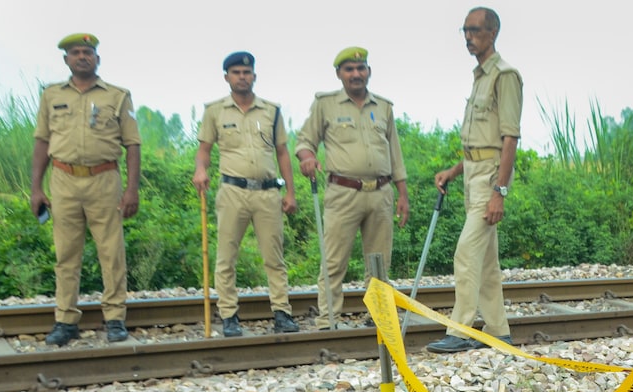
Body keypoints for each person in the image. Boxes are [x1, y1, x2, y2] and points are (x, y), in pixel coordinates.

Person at [30, 33, 141, 347]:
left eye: (88, 52)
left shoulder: (117, 96)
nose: (82, 57)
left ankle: (115, 319)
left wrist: (132, 190)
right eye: (76, 52)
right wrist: (36, 187)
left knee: (111, 251)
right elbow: (42, 142)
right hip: (63, 179)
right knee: (66, 254)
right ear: (67, 60)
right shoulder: (51, 96)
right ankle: (65, 320)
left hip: (104, 179)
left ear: (97, 59)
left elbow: (132, 144)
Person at [426, 7, 521, 354]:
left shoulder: (505, 75)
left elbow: (509, 138)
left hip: (489, 180)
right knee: (485, 263)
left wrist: (500, 191)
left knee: (466, 253)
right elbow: (480, 143)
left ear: (493, 32)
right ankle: (499, 332)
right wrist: (454, 171)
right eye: (464, 30)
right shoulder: (479, 76)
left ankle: (461, 329)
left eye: (475, 30)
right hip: (473, 174)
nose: (468, 37)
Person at [296, 47, 409, 328]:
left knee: (379, 263)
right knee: (334, 261)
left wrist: (402, 194)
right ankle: (329, 320)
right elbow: (304, 141)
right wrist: (307, 158)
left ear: (369, 71)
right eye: (349, 69)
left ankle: (379, 317)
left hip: (381, 192)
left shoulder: (383, 107)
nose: (356, 74)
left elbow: (395, 154)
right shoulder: (325, 104)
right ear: (339, 74)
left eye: (361, 68)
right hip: (343, 192)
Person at [193, 51, 299, 337]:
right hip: (232, 192)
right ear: (227, 77)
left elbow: (282, 152)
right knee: (226, 256)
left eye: (247, 72)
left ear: (255, 76)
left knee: (274, 257)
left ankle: (281, 312)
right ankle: (229, 315)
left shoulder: (271, 110)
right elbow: (203, 151)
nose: (243, 77)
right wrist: (200, 170)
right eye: (237, 72)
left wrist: (290, 191)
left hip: (266, 193)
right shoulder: (215, 111)